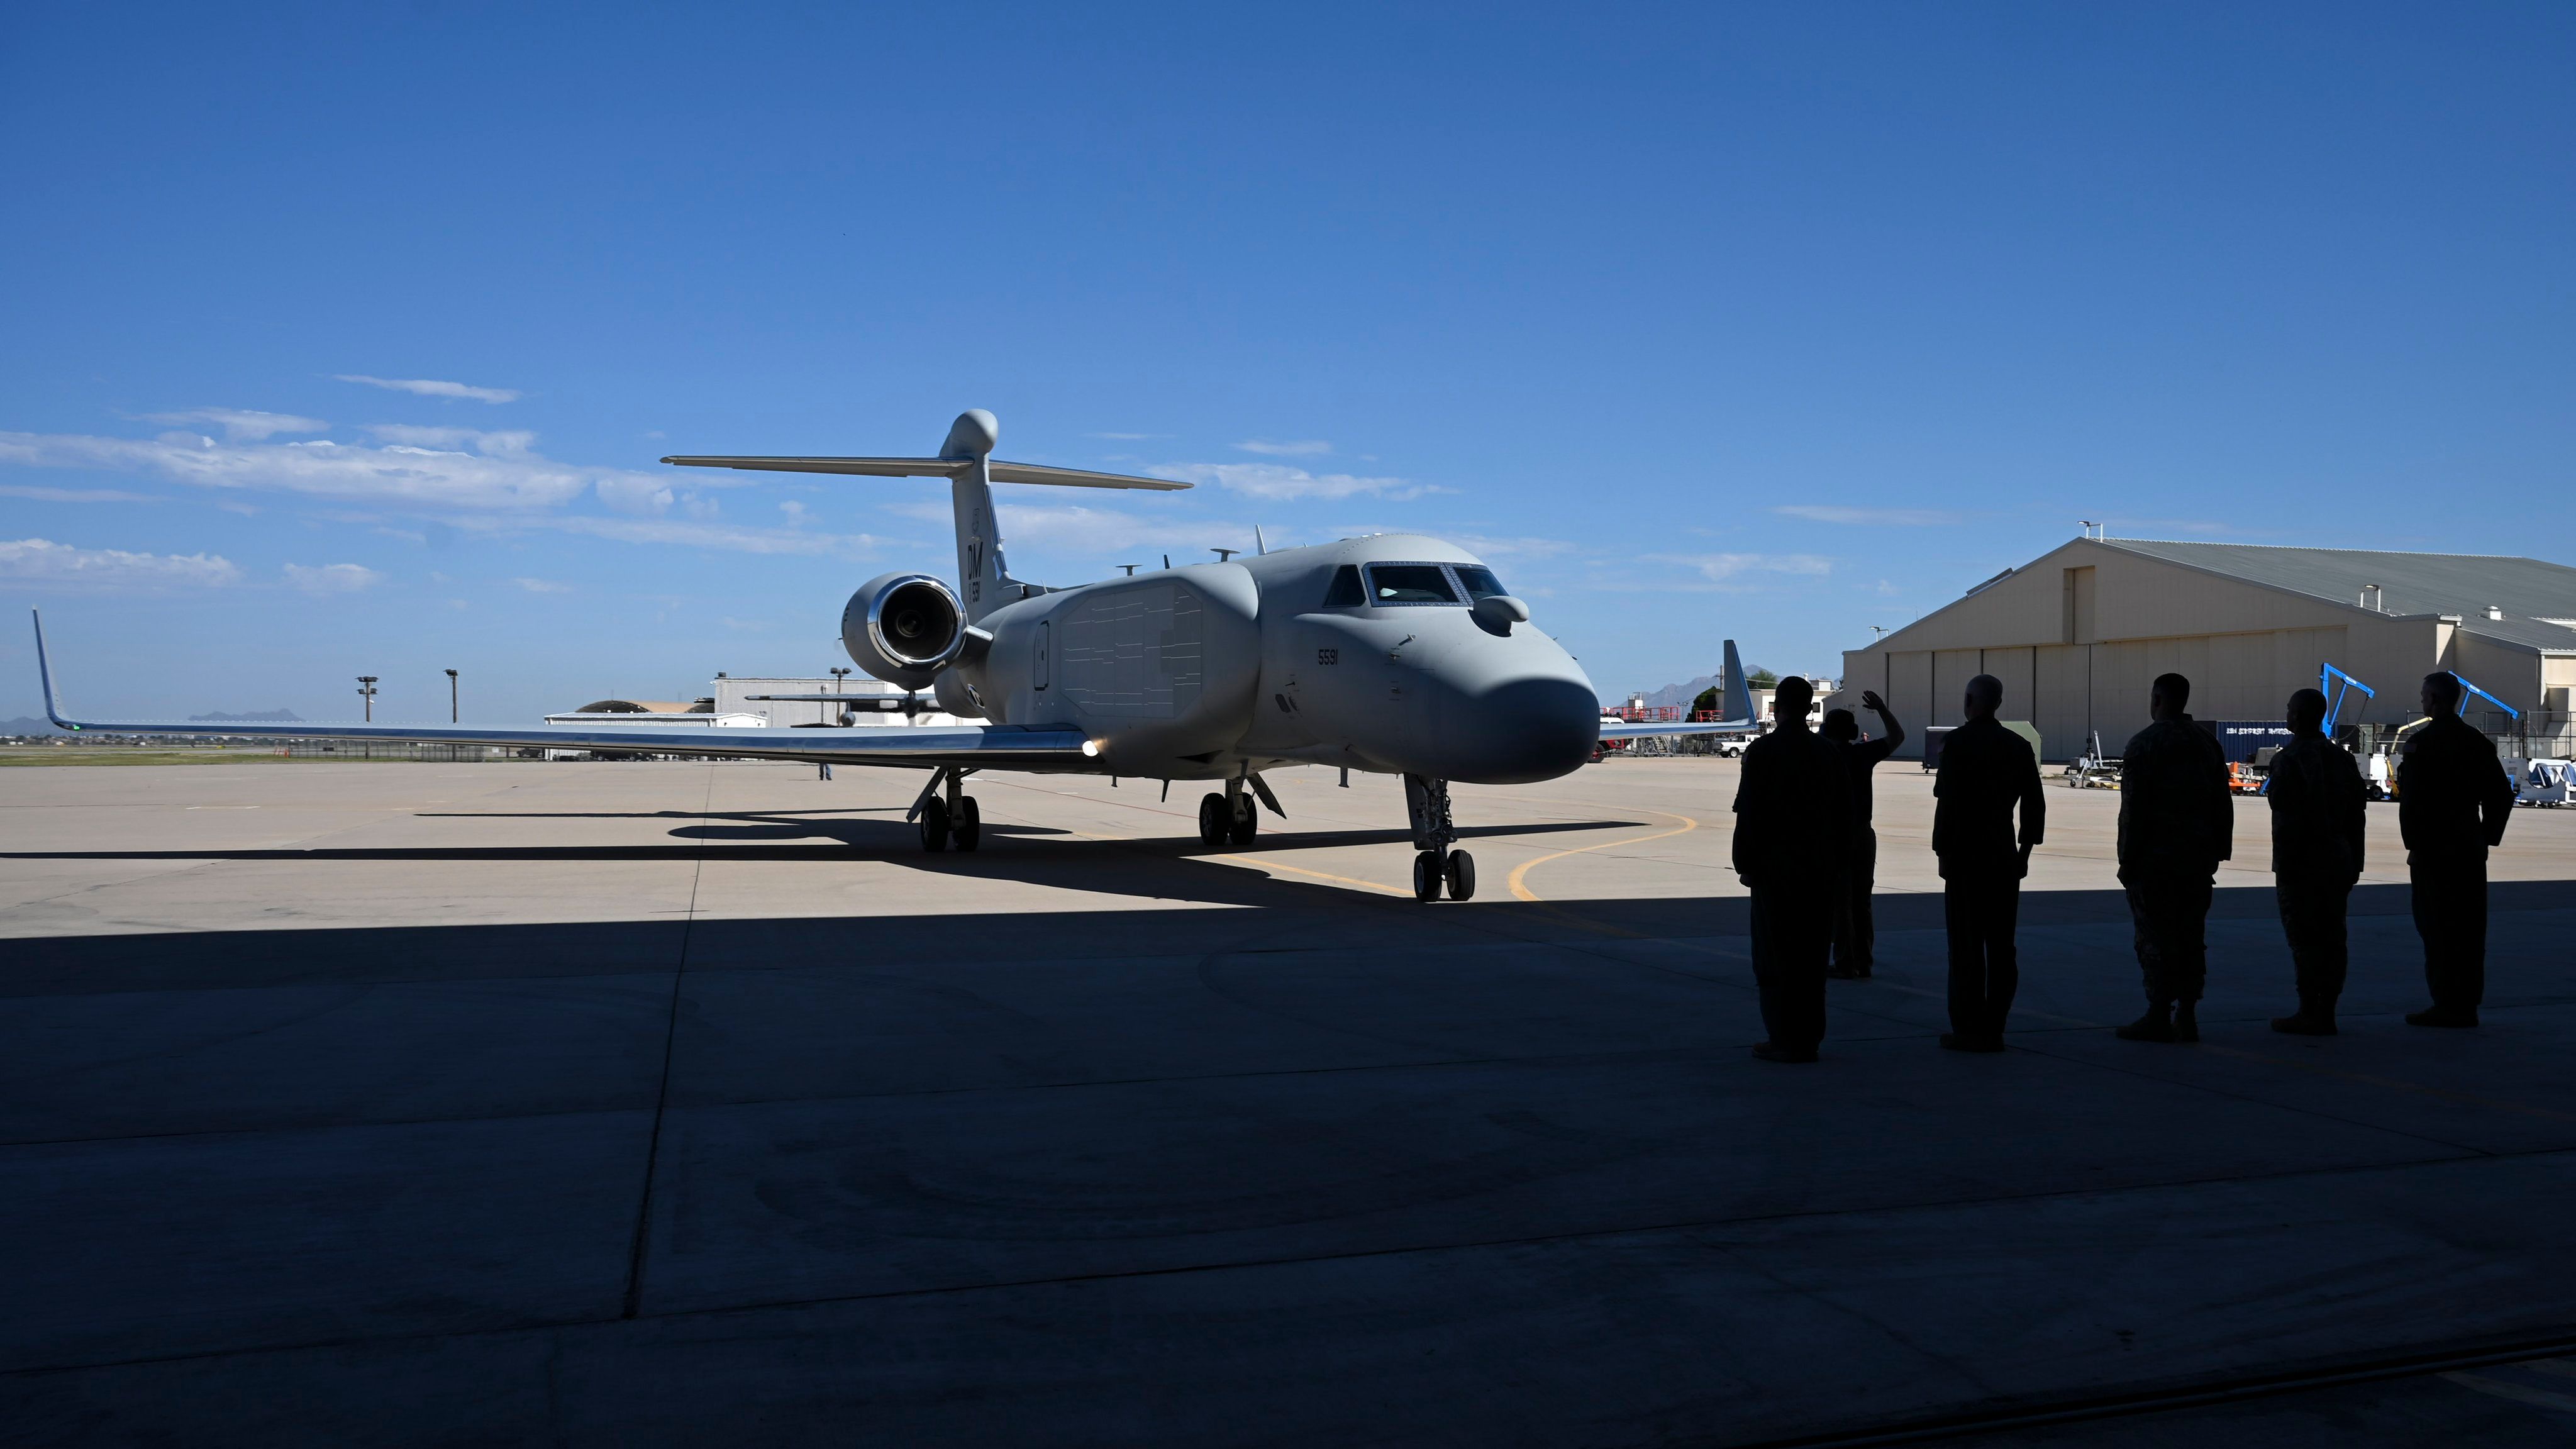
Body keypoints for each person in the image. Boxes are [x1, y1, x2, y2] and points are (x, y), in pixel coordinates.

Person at [1731, 675, 1852, 1063]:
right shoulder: (1829, 753)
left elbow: (1749, 813)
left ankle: (1783, 1037)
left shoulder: (1763, 752)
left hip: (1775, 870)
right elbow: (1844, 814)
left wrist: (1745, 864)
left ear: (1776, 707)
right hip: (1819, 869)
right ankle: (1809, 1038)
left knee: (1773, 955)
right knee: (1812, 957)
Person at [2114, 672, 2233, 1043]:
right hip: (2197, 861)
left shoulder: (2144, 744)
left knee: (2155, 939)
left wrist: (2127, 858)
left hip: (2155, 862)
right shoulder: (2207, 743)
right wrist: (2219, 851)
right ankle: (2188, 1015)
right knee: (2191, 937)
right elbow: (2222, 801)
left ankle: (2157, 1014)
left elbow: (2133, 808)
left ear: (2157, 699)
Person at [1929, 674, 2045, 1051]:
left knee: (1965, 947)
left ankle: (1967, 1028)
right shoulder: (2018, 745)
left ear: (1969, 700)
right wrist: (2023, 855)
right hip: (2002, 855)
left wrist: (1943, 854)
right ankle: (1994, 1027)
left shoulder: (1957, 744)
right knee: (2001, 947)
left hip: (1964, 858)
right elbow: (2033, 806)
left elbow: (1946, 804)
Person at [2396, 671, 2515, 1028]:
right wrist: (2485, 838)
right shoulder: (2476, 742)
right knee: (2469, 928)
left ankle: (2446, 1004)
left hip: (2434, 851)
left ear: (2434, 699)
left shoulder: (2423, 743)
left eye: (2424, 696)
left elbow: (2413, 804)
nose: (2421, 702)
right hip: (2467, 848)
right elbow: (2501, 795)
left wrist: (2415, 846)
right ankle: (2466, 1004)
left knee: (2436, 927)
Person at [2265, 687, 2366, 1035]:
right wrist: (2356, 862)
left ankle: (2309, 1009)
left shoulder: (2288, 759)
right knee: (2334, 937)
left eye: (2291, 709)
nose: (2287, 714)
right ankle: (2328, 1010)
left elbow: (2282, 806)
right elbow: (2358, 815)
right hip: (2338, 860)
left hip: (2301, 863)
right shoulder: (2343, 758)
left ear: (2299, 715)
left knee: (2304, 939)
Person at [1820, 692, 1906, 979]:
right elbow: (1897, 736)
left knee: (1840, 901)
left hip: (1834, 837)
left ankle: (1844, 961)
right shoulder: (1862, 754)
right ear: (1853, 733)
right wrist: (1882, 708)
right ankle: (1864, 959)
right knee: (1862, 900)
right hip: (1863, 834)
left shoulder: (1822, 757)